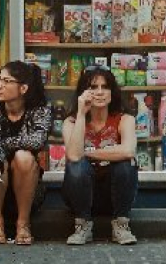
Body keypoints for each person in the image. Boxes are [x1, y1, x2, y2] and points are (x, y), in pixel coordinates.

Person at [0, 61, 52, 245]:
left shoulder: (40, 111)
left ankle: (23, 223)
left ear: (23, 88)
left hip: (29, 196)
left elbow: (36, 141)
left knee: (24, 157)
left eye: (6, 81)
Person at [61, 66, 138, 245]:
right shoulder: (71, 121)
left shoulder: (125, 119)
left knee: (127, 163)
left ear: (112, 92)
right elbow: (73, 155)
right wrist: (81, 113)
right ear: (83, 92)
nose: (100, 92)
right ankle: (82, 226)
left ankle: (121, 225)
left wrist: (88, 153)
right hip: (80, 195)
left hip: (114, 195)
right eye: (93, 87)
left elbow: (128, 150)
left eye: (105, 87)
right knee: (77, 165)